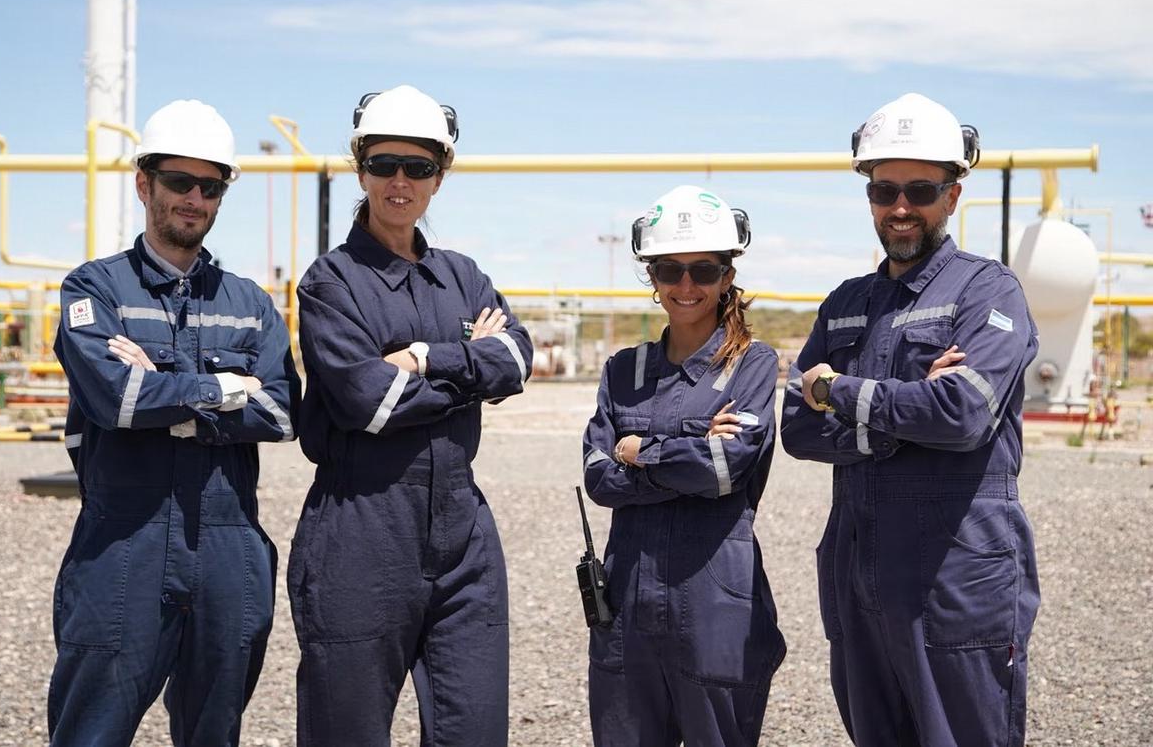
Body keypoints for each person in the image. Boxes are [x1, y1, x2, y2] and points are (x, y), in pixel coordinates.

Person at [780, 93, 1041, 746]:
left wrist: (836, 388)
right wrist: (900, 407)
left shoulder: (987, 291)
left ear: (952, 196)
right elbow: (797, 427)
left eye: (920, 189)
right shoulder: (845, 304)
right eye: (884, 189)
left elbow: (961, 414)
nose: (900, 207)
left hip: (953, 571)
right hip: (859, 567)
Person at [48, 99, 301, 745]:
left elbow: (280, 410)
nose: (194, 198)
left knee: (214, 732)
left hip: (228, 547)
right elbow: (114, 401)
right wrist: (222, 389)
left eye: (210, 186)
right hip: (122, 543)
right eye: (178, 182)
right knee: (91, 732)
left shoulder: (248, 304)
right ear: (143, 184)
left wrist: (165, 396)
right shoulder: (95, 291)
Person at [290, 85, 533, 746]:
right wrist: (471, 371)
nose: (400, 182)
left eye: (418, 167)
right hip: (360, 528)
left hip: (463, 531)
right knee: (348, 732)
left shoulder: (462, 274)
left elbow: (517, 358)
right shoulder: (331, 282)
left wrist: (424, 358)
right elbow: (370, 403)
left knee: (473, 731)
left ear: (440, 175)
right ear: (360, 168)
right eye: (383, 165)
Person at [582, 185, 786, 746]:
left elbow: (725, 468)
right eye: (670, 269)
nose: (687, 285)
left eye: (704, 269)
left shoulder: (753, 363)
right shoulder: (623, 369)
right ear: (651, 275)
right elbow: (599, 476)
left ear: (727, 275)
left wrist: (640, 450)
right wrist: (691, 448)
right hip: (626, 606)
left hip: (714, 606)